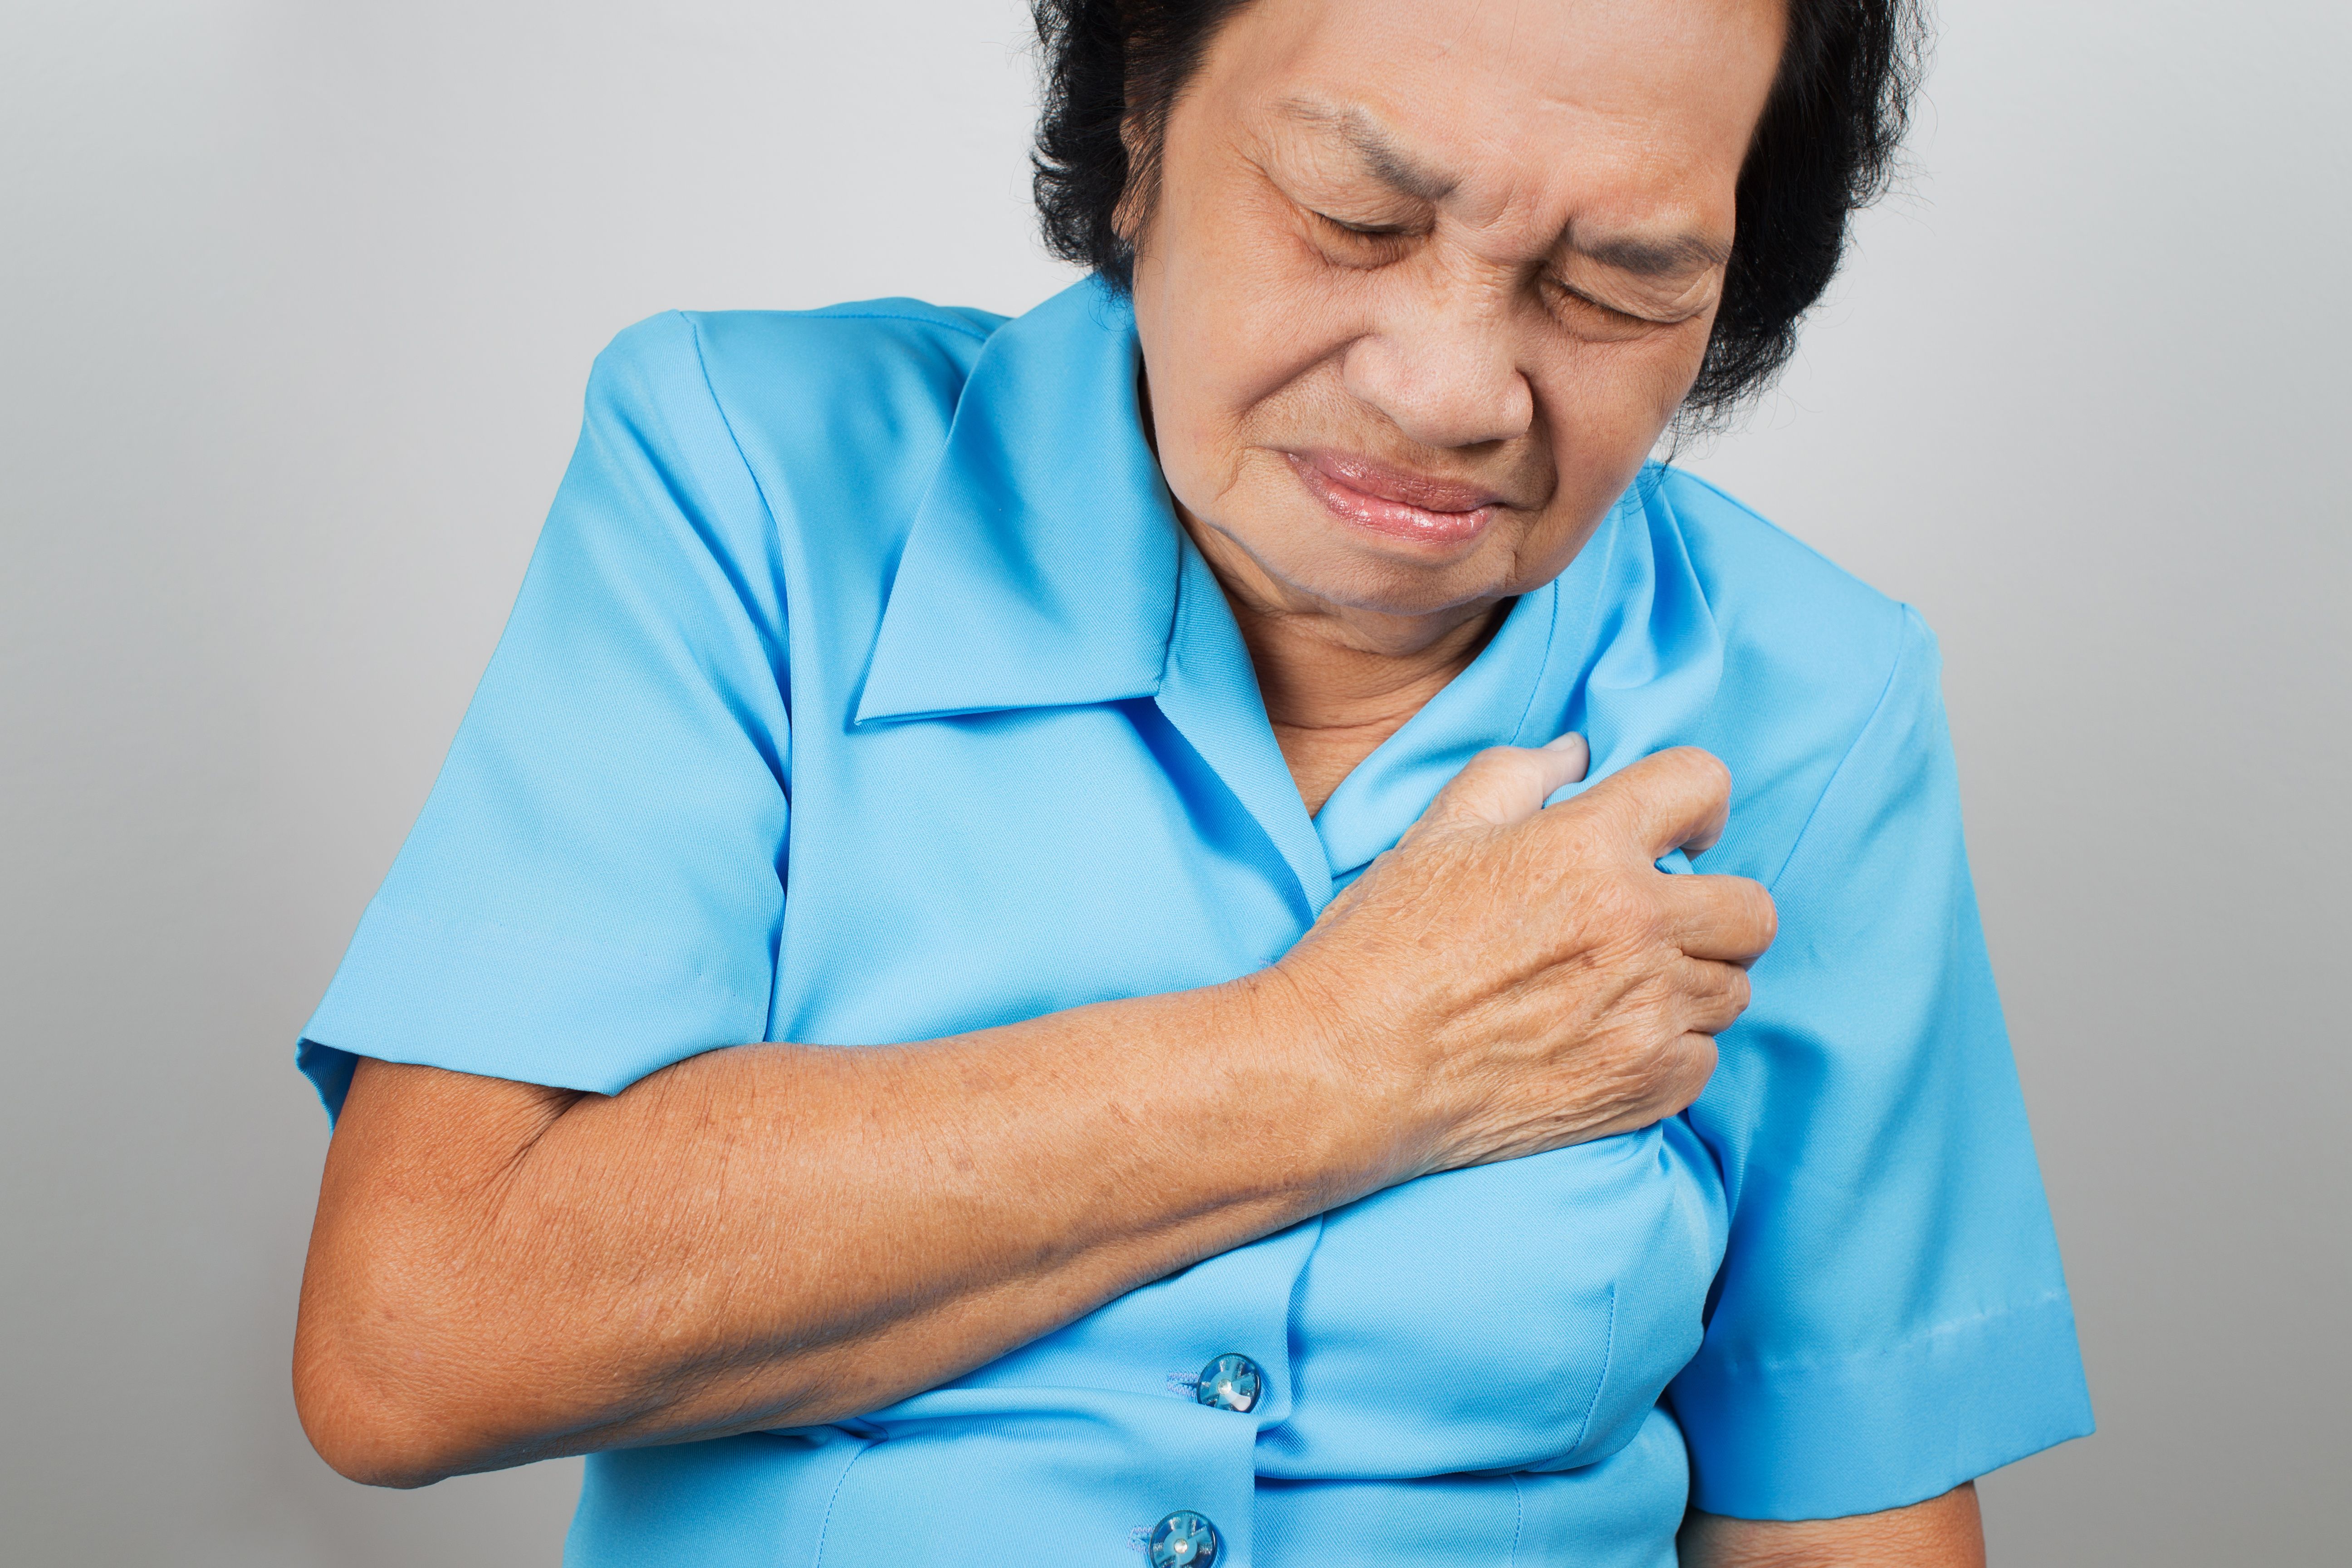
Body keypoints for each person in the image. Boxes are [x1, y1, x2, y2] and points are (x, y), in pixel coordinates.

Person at [290, 0, 2093, 1563]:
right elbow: (414, 1340)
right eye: (1355, 217)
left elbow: (1842, 1517)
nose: (1453, 390)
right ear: (1143, 116)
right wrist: (1350, 1057)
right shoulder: (752, 479)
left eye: (1615, 288)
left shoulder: (1813, 695)